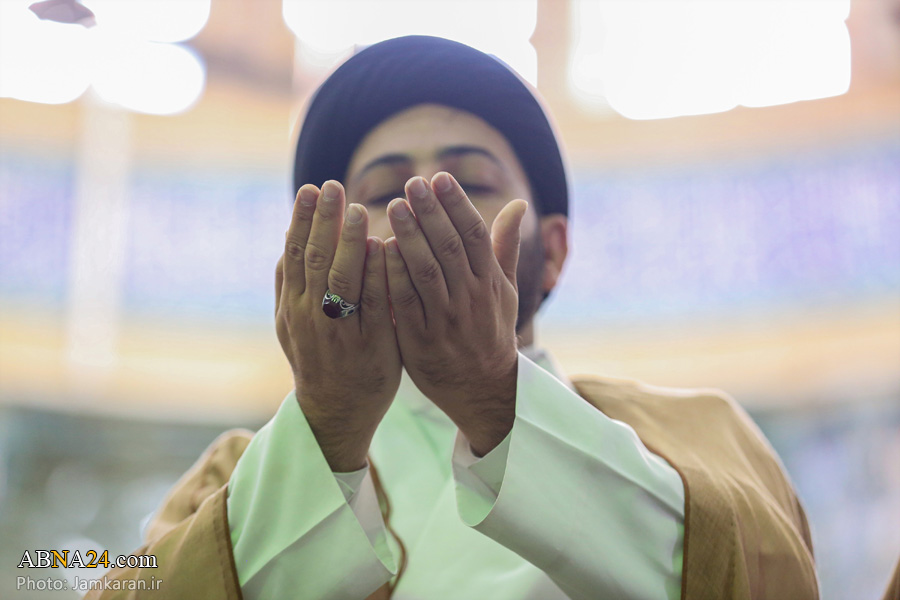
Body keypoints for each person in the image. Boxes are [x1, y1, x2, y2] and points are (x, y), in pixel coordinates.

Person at [87, 36, 818, 600]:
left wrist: (496, 397)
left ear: (554, 251)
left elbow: (768, 579)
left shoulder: (696, 432)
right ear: (319, 252)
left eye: (469, 179)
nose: (420, 206)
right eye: (380, 189)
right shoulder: (236, 470)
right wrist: (329, 427)